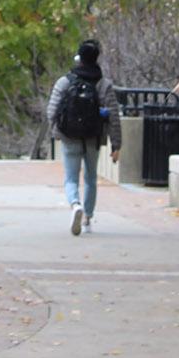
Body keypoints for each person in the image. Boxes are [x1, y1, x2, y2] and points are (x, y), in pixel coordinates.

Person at [47, 39, 121, 235]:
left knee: (71, 178)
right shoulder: (104, 84)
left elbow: (51, 111)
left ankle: (75, 204)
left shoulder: (65, 82)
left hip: (70, 136)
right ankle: (87, 217)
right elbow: (113, 116)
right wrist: (116, 144)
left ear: (79, 58)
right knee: (90, 178)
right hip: (93, 137)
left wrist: (57, 132)